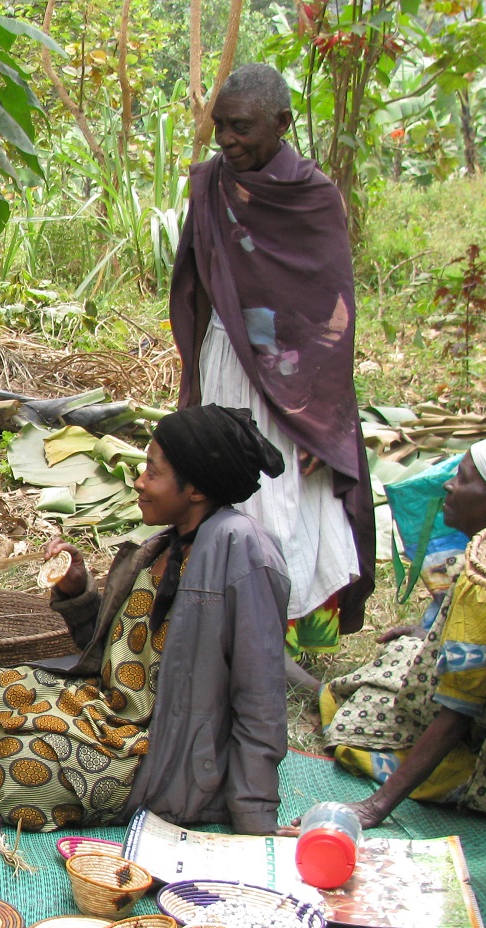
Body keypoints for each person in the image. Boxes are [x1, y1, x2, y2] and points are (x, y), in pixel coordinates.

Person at [0, 405, 292, 835]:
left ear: (195, 488)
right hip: (101, 709)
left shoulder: (243, 552)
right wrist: (78, 592)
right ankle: (37, 754)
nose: (140, 482)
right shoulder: (165, 546)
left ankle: (34, 762)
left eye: (154, 473)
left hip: (152, 749)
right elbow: (113, 656)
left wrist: (254, 815)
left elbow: (261, 697)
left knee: (19, 779)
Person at [169, 62, 375, 677]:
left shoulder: (313, 196)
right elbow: (198, 281)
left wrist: (326, 416)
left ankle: (288, 634)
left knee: (289, 495)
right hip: (229, 357)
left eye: (240, 128)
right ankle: (234, 629)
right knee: (234, 489)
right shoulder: (209, 185)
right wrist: (194, 378)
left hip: (298, 379)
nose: (226, 140)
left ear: (282, 124)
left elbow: (334, 312)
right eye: (219, 128)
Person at [300, 431, 486, 830]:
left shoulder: (484, 587)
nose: (448, 484)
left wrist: (375, 807)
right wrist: (426, 633)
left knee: (361, 716)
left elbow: (456, 714)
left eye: (463, 480)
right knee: (404, 650)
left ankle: (319, 690)